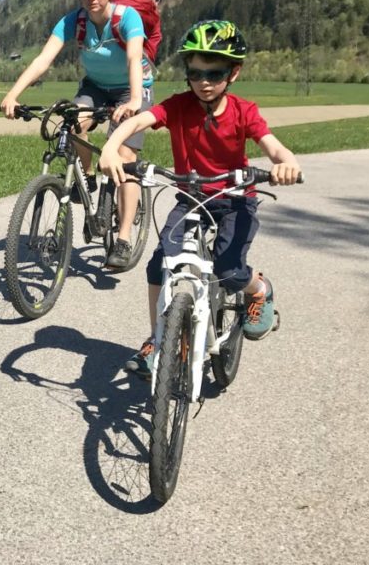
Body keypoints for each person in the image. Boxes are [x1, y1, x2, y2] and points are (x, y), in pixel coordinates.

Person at [97, 20, 302, 377]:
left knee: (229, 270)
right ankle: (159, 339)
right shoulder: (178, 106)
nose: (203, 82)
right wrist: (112, 147)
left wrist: (286, 163)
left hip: (235, 199)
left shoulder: (243, 111)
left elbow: (271, 145)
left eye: (214, 73)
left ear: (233, 72)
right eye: (194, 72)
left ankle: (259, 289)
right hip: (191, 199)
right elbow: (137, 121)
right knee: (159, 266)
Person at [0, 0, 152, 270]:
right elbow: (43, 59)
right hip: (95, 87)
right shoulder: (74, 21)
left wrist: (135, 99)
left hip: (133, 88)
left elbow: (135, 56)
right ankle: (88, 176)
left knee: (124, 156)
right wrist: (13, 94)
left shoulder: (126, 18)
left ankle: (122, 240)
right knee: (72, 124)